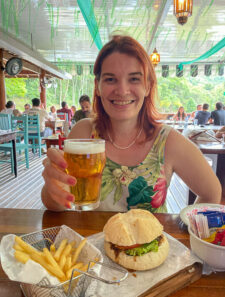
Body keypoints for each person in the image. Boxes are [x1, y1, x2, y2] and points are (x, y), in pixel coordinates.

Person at [41, 35, 221, 212]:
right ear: (97, 86)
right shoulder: (84, 132)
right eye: (110, 79)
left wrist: (182, 231)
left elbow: (212, 193)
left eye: (134, 79)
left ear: (148, 86)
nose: (122, 90)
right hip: (91, 242)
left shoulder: (168, 141)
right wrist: (53, 188)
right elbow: (54, 204)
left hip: (151, 242)